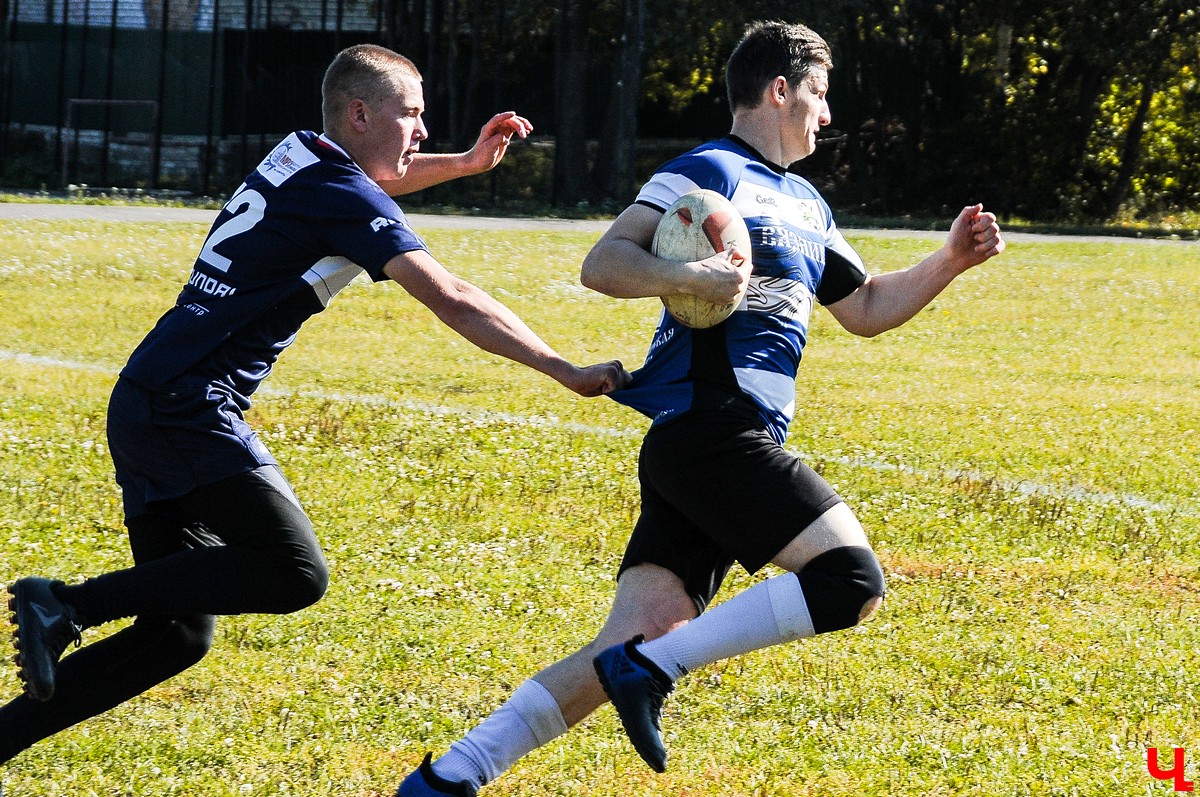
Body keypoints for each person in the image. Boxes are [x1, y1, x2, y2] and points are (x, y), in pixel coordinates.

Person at [395, 19, 1005, 797]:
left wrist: (950, 259)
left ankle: (451, 776)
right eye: (818, 94)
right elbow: (604, 261)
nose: (826, 114)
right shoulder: (707, 172)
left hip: (710, 445)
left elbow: (867, 306)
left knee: (629, 635)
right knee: (849, 578)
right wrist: (686, 276)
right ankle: (648, 670)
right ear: (779, 90)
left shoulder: (808, 204)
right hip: (711, 430)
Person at [1, 43, 628, 764]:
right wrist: (562, 366)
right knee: (294, 570)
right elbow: (452, 297)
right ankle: (68, 603)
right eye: (413, 115)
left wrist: (459, 164)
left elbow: (371, 184)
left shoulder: (300, 154)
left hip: (149, 398)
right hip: (189, 408)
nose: (422, 131)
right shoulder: (339, 194)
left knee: (174, 633)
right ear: (361, 113)